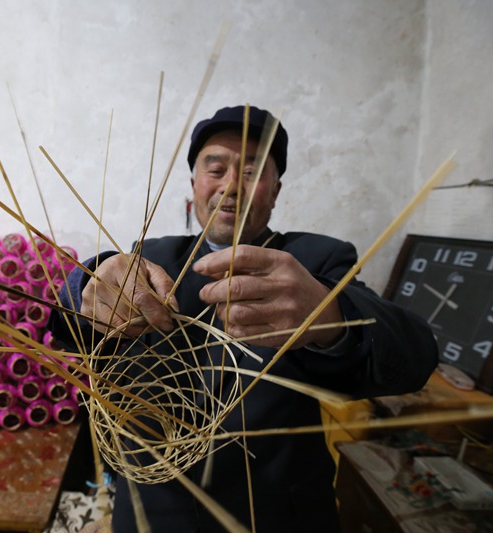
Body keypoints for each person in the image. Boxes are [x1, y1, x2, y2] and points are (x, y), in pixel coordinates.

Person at [49, 105, 438, 532]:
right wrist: (92, 281)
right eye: (215, 169)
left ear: (275, 189)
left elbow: (415, 357)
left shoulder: (314, 262)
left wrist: (329, 313)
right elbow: (69, 317)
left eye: (253, 172)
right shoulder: (152, 257)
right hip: (153, 516)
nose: (232, 185)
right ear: (194, 185)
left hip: (274, 516)